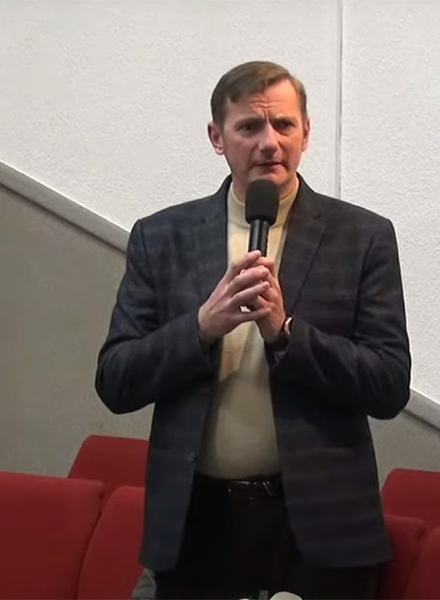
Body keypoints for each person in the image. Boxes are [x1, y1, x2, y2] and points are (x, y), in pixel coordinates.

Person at [96, 60, 411, 600]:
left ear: (306, 132)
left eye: (284, 125)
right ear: (217, 137)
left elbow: (387, 385)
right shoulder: (161, 237)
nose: (269, 142)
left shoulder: (362, 237)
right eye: (249, 127)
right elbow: (116, 380)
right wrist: (201, 328)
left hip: (319, 532)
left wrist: (286, 333)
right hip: (196, 526)